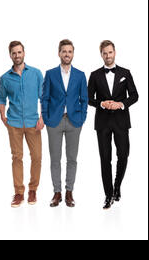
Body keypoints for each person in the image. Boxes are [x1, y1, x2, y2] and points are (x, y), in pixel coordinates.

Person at [87, 40, 139, 210]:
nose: (108, 56)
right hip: (102, 122)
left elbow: (134, 95)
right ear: (101, 54)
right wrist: (102, 103)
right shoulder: (94, 75)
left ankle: (117, 187)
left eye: (110, 52)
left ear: (114, 52)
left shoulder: (125, 72)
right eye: (104, 53)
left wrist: (121, 104)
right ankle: (108, 194)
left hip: (121, 121)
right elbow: (89, 98)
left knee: (123, 155)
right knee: (105, 159)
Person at [41, 39, 88, 208]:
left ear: (73, 54)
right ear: (59, 53)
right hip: (54, 121)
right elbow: (45, 97)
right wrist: (45, 118)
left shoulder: (81, 75)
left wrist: (82, 118)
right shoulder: (51, 73)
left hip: (74, 121)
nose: (67, 54)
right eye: (64, 51)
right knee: (55, 159)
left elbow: (84, 99)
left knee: (72, 159)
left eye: (69, 51)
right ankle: (57, 192)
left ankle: (69, 192)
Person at [0, 41, 44, 208]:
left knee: (37, 157)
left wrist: (42, 117)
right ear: (10, 55)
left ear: (24, 53)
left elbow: (43, 97)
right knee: (17, 157)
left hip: (34, 123)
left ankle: (33, 189)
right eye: (14, 53)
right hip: (14, 123)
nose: (17, 55)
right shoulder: (5, 78)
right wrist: (3, 116)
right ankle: (19, 192)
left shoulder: (36, 73)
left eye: (19, 52)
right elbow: (2, 99)